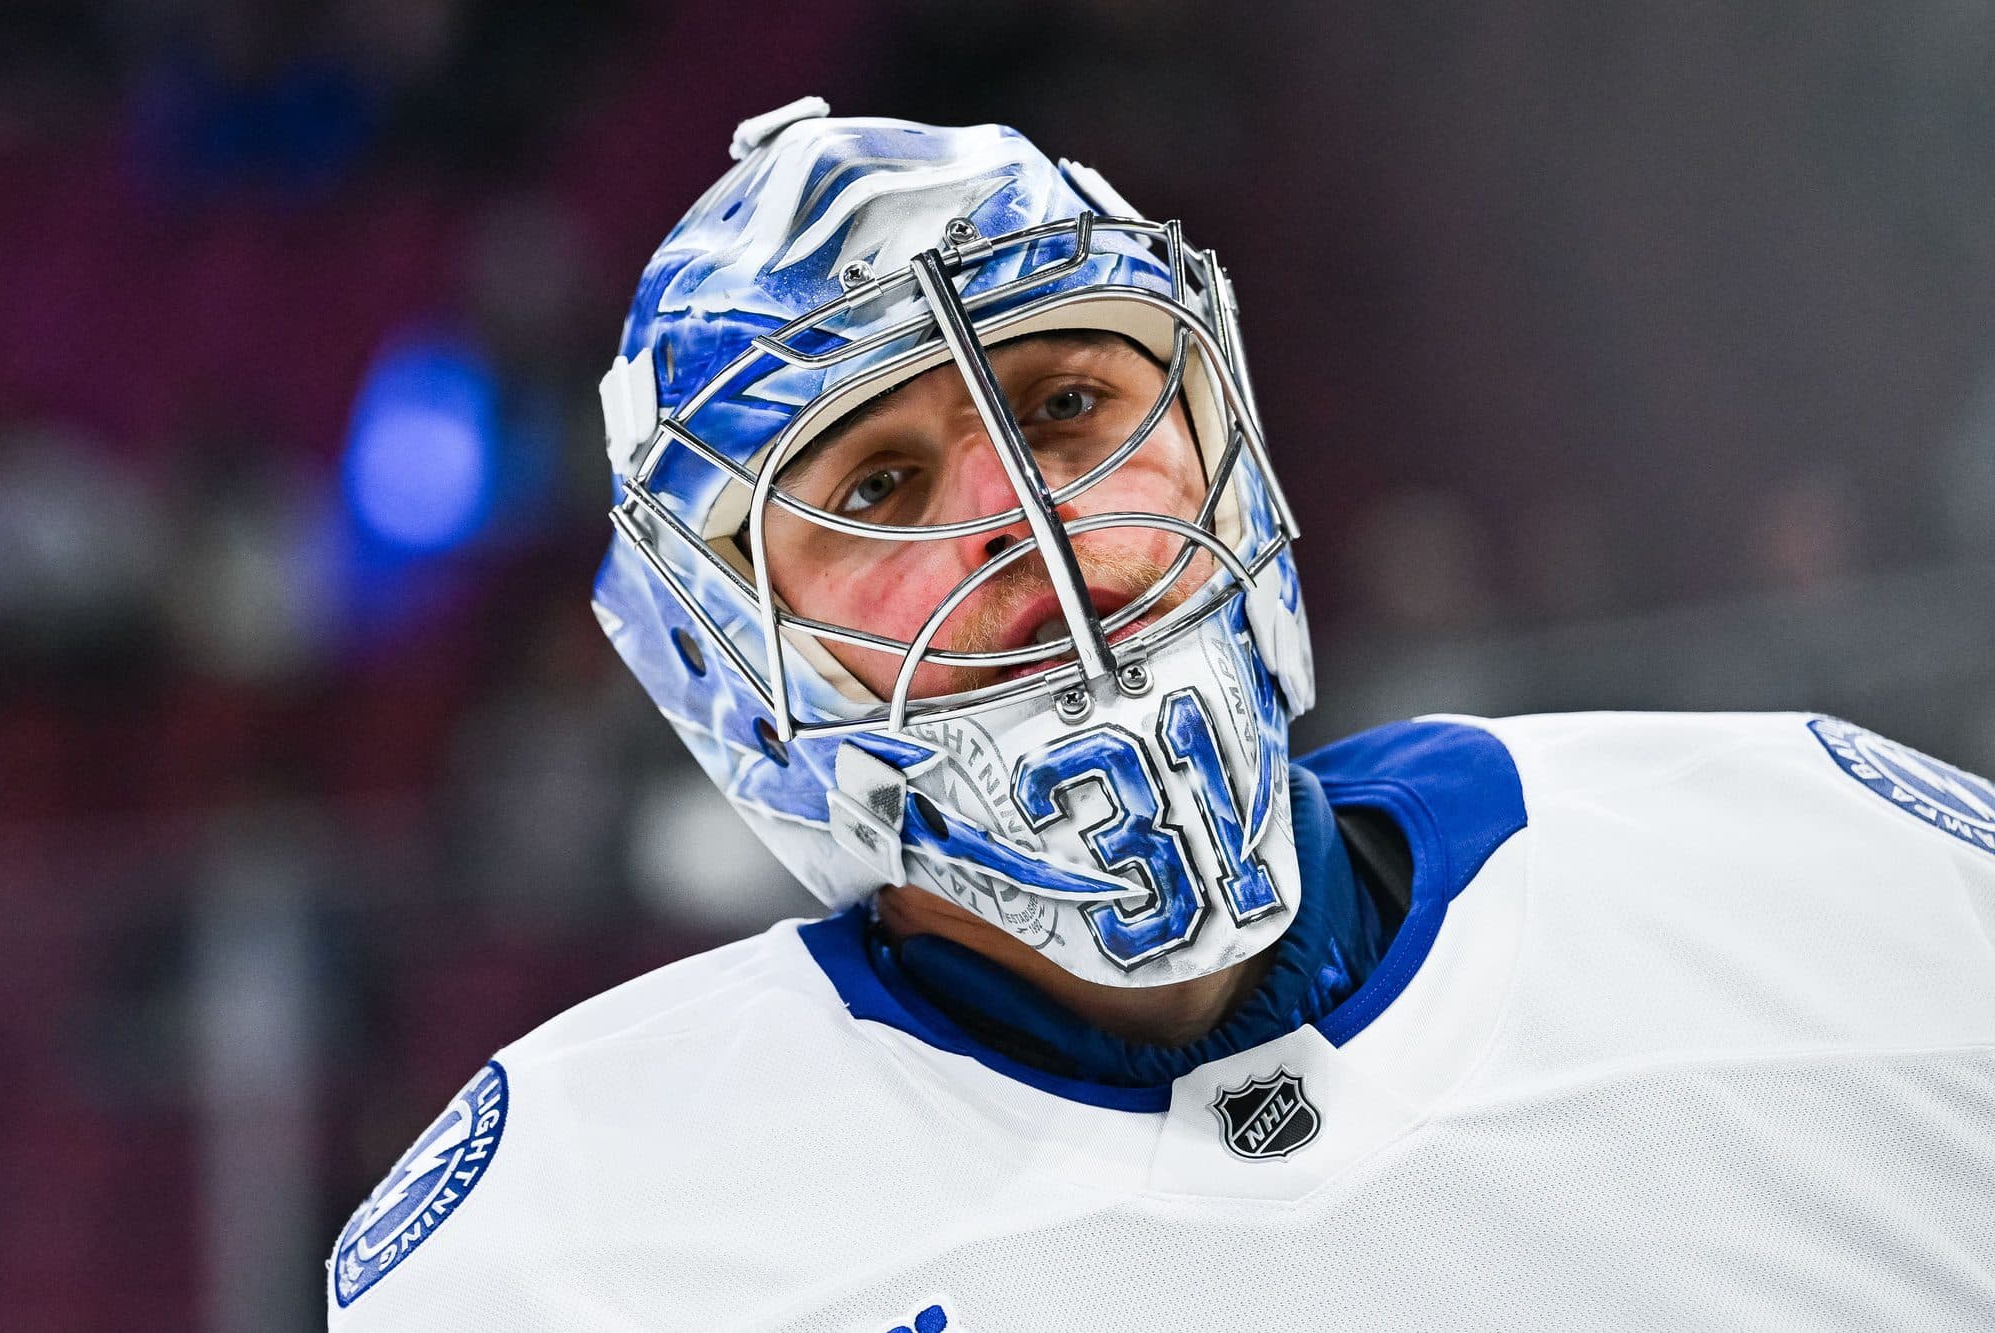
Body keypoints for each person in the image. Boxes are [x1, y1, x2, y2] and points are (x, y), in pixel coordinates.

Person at [328, 99, 1995, 1330]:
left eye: (1069, 404)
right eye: (881, 482)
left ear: (1220, 435)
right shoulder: (570, 1254)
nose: (1020, 521)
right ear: (735, 664)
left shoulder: (1843, 882)